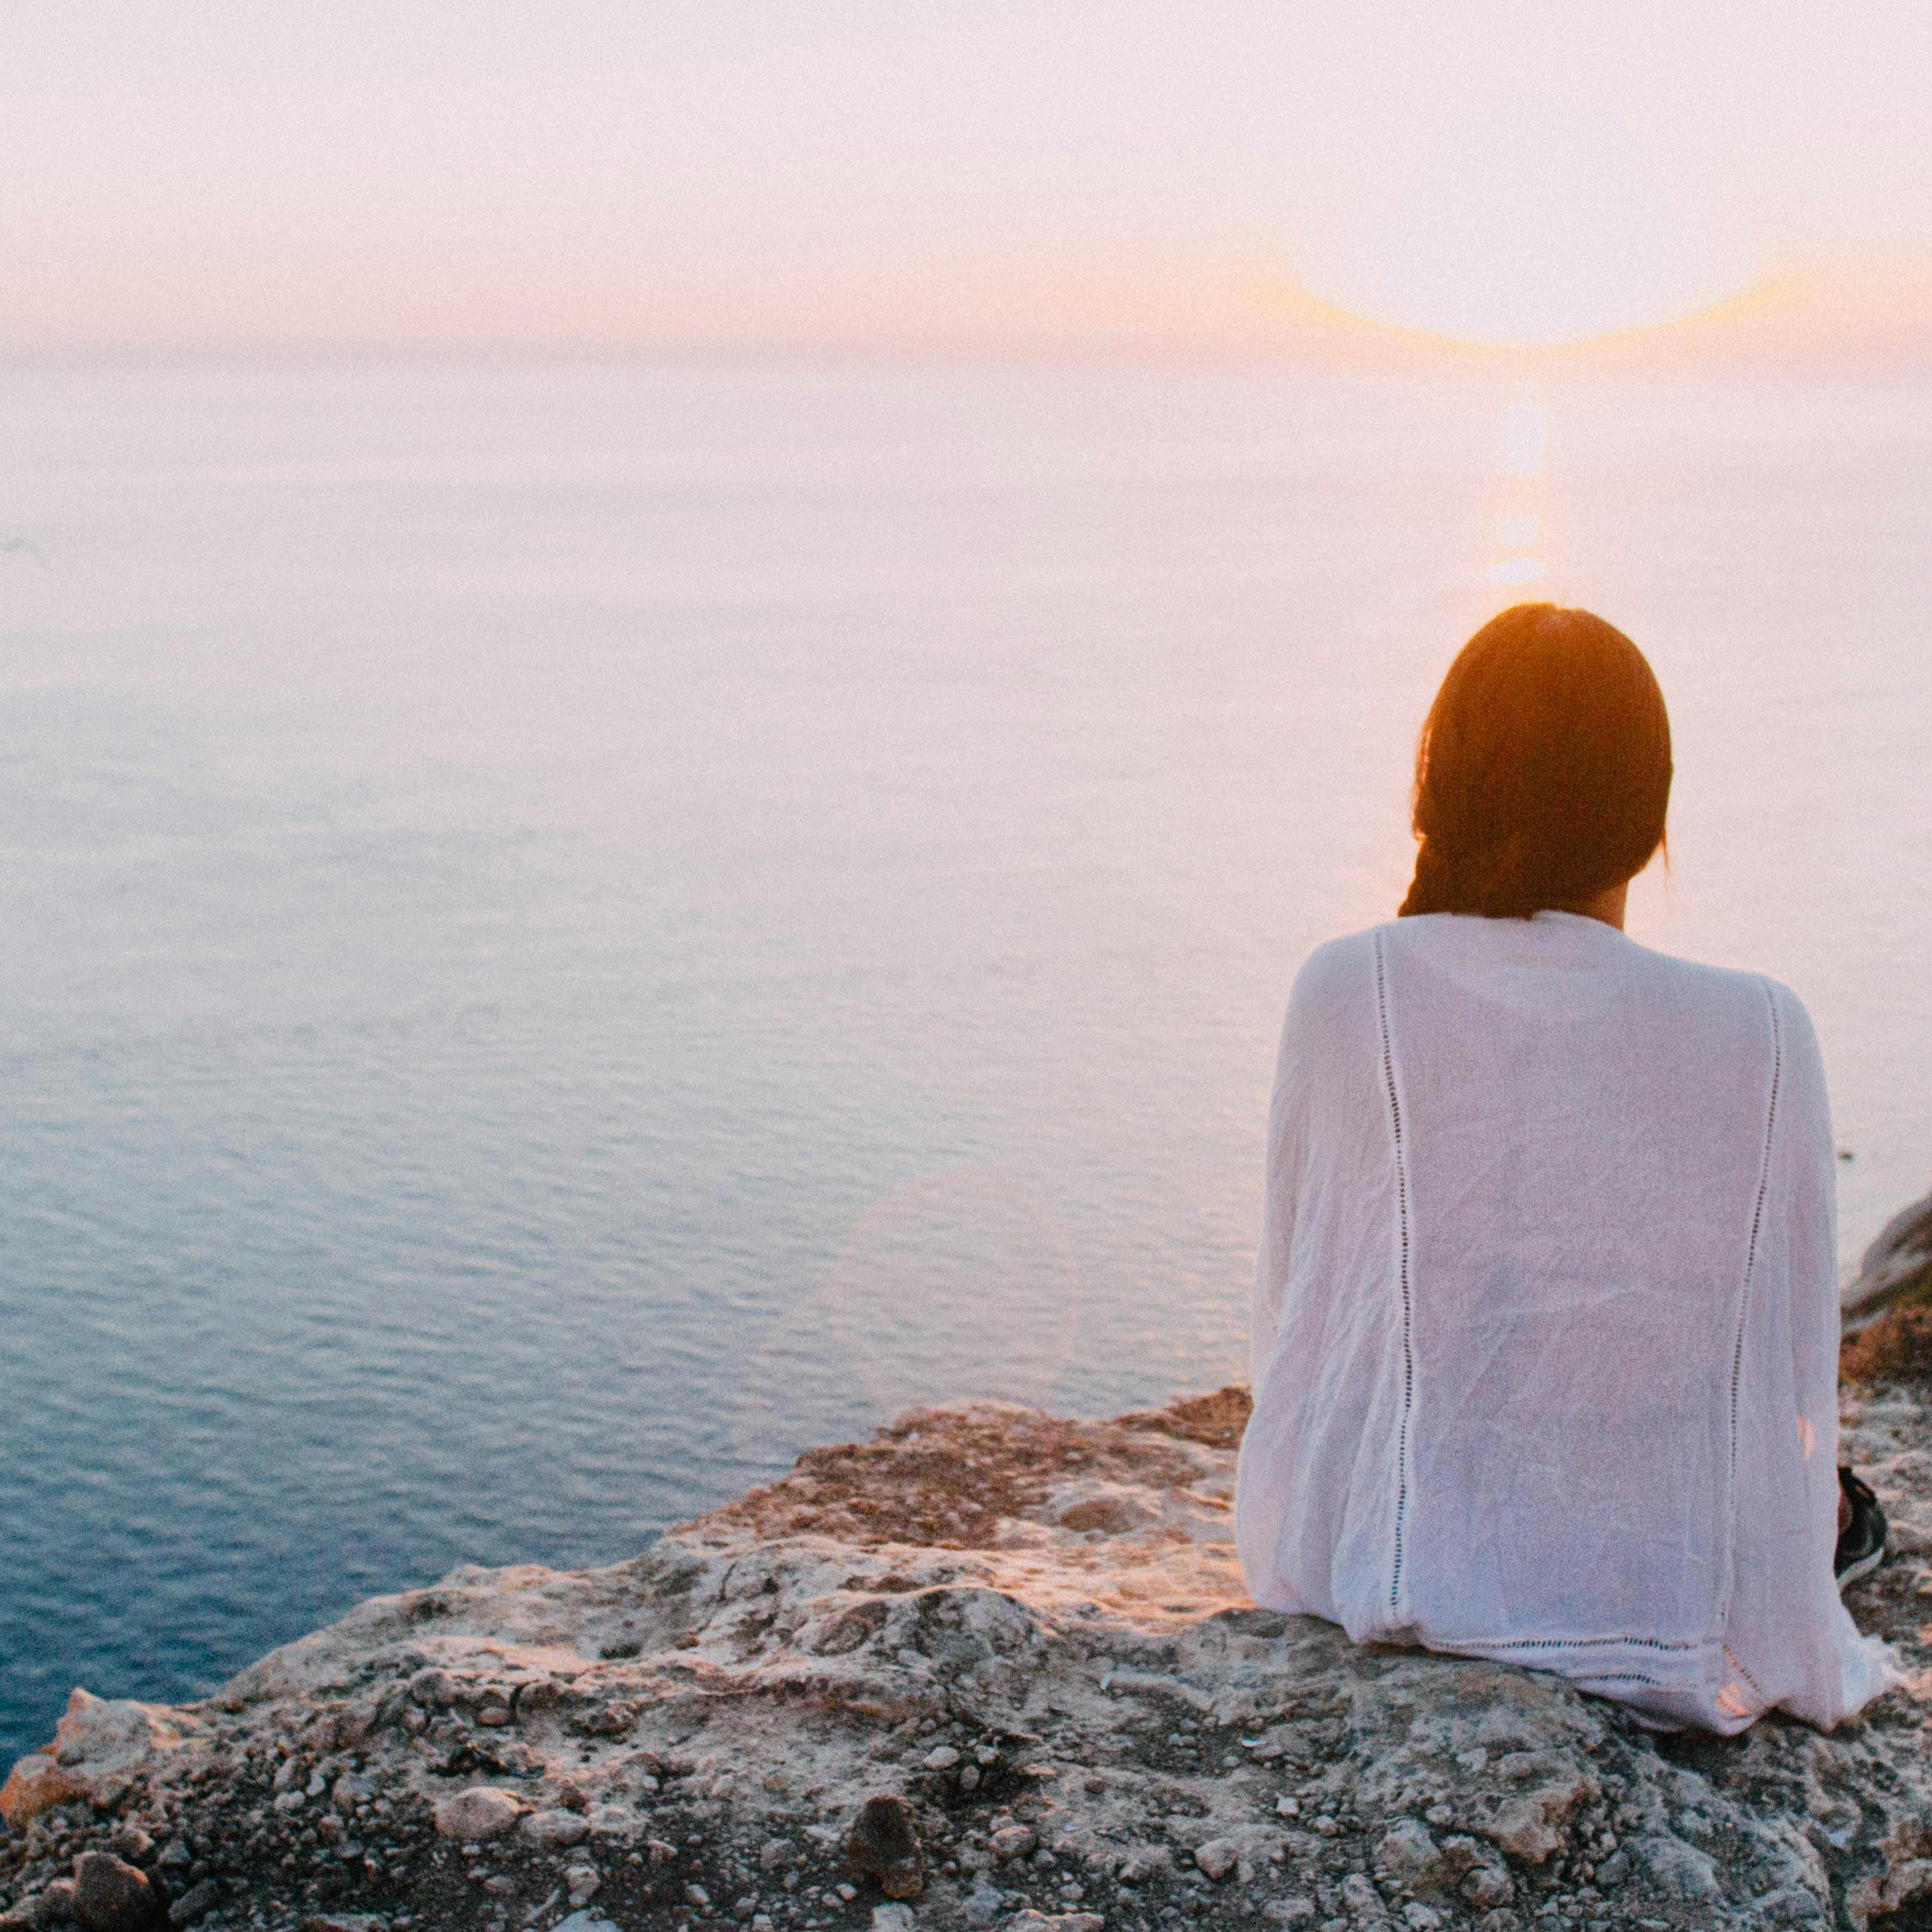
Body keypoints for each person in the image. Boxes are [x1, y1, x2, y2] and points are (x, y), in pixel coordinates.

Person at [1233, 604, 1894, 1733]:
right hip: (1660, 1574)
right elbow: (1787, 1371)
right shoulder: (1765, 1029)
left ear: (1438, 789)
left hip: (1396, 1560)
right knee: (1831, 1507)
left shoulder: (1348, 989)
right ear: (1646, 817)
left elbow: (1303, 1331)